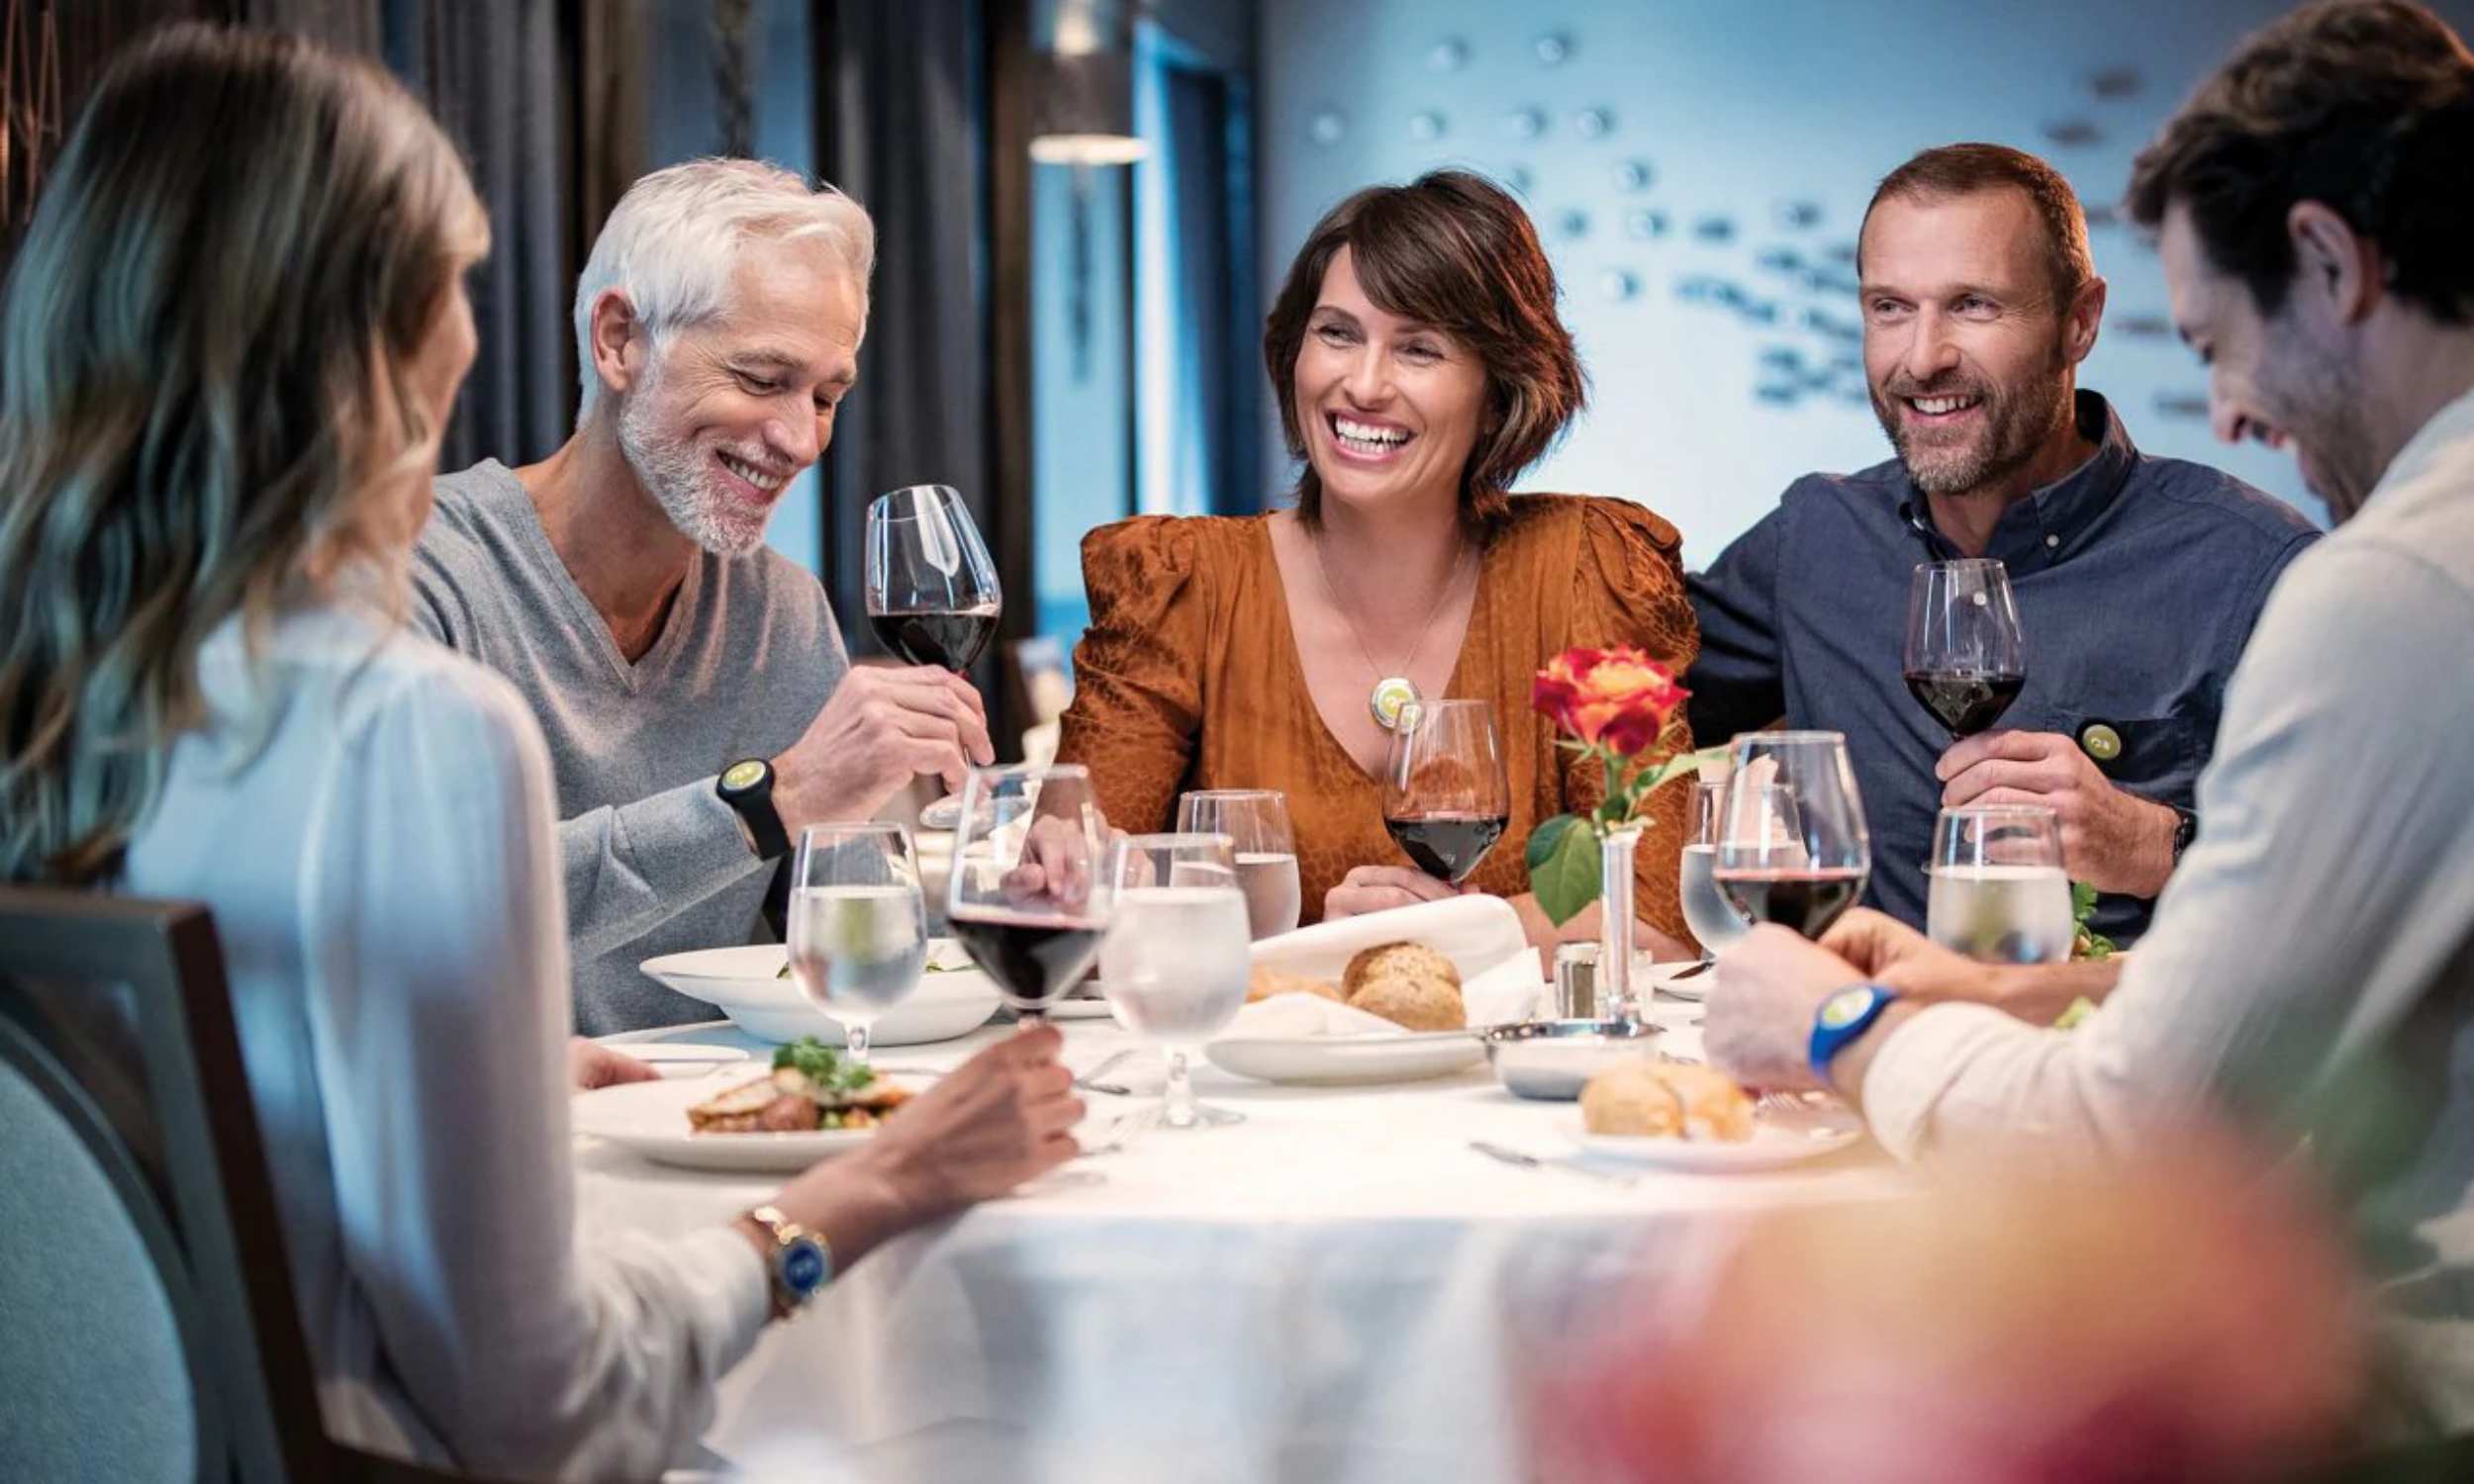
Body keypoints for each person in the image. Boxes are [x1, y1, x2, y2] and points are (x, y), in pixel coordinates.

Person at [0, 27, 1078, 1476]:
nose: (472, 329)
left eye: (827, 392)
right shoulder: (409, 729)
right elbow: (538, 1414)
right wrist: (871, 1191)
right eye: (453, 281)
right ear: (368, 344)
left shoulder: (86, 694)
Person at [1706, 0, 2474, 1437]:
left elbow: (2134, 1127)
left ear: (2326, 261)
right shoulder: (1814, 539)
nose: (2232, 412)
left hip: (2373, 1379)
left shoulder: (2380, 590)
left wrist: (1839, 1021)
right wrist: (1996, 992)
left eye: (2224, 340)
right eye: (1889, 306)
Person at [1055, 169, 1698, 960]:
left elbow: (1657, 912)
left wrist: (1438, 938)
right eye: (1337, 334)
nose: (1362, 384)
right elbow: (1069, 905)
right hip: (1261, 1074)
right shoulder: (1184, 584)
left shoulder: (1581, 571)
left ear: (1499, 393)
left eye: (1419, 349)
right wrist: (1330, 947)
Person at [1687, 143, 2320, 947]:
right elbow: (1605, 694)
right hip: (1862, 1052)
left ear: (2079, 322)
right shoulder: (1819, 537)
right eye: (1889, 308)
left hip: (2111, 1055)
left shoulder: (2255, 568)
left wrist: (2153, 846)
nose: (1922, 358)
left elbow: (2379, 890)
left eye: (1974, 306)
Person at [414, 158, 993, 1033]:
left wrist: (997, 890)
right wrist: (770, 799)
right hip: (502, 1133)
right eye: (762, 380)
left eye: (828, 397)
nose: (800, 439)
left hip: (726, 1118)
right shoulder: (427, 573)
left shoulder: (783, 616)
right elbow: (425, 905)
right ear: (619, 340)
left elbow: (861, 948)